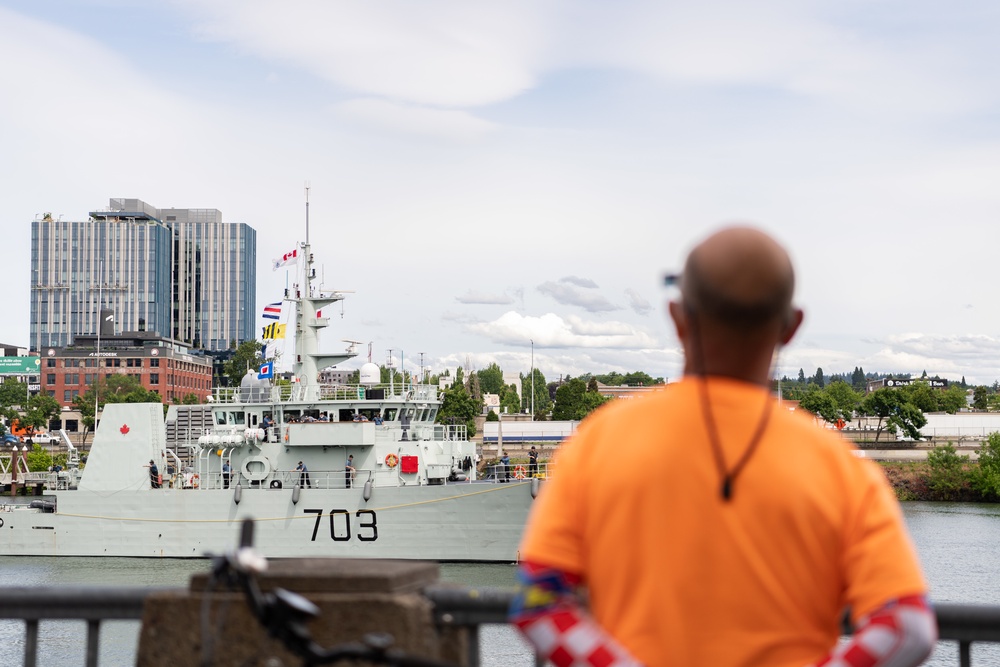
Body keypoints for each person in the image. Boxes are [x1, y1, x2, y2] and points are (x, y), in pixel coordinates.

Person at [510, 227, 936, 667]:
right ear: (791, 328)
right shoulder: (839, 466)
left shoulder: (599, 442)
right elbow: (907, 628)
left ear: (677, 316)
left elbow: (541, 605)